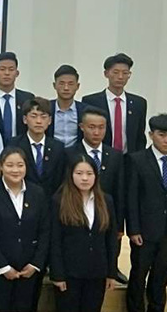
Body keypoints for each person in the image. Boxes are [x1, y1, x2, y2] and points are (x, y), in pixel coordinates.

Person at [126, 114, 167, 312]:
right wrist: (133, 229)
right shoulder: (137, 160)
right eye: (162, 135)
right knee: (139, 274)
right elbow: (132, 198)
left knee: (162, 275)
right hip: (144, 231)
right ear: (151, 135)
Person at [0, 147, 50, 312]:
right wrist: (3, 266)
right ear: (1, 167)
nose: (15, 170)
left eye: (20, 165)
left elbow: (45, 230)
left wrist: (35, 264)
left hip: (29, 269)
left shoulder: (37, 193)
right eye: (10, 165)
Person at [50, 155, 118, 312]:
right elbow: (54, 240)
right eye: (79, 173)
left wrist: (111, 272)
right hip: (69, 274)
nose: (85, 178)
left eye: (89, 173)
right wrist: (57, 274)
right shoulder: (59, 201)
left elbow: (111, 240)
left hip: (97, 272)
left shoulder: (106, 201)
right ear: (71, 175)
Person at [66, 106, 125, 283]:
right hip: (77, 211)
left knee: (108, 244)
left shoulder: (115, 155)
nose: (97, 132)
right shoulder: (69, 153)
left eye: (101, 127)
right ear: (82, 127)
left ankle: (112, 269)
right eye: (91, 127)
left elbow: (120, 190)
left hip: (105, 212)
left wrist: (119, 223)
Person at [81, 53, 147, 154]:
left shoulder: (139, 103)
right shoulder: (91, 101)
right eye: (115, 72)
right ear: (106, 73)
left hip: (129, 158)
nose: (120, 77)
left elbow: (140, 137)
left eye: (125, 73)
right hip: (101, 156)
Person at [7, 97, 67, 198]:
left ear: (50, 120)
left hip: (51, 201)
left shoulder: (58, 147)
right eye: (34, 116)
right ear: (25, 119)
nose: (39, 121)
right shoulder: (14, 144)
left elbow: (61, 179)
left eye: (43, 117)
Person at [0, 52, 35, 145]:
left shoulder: (27, 98)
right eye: (2, 69)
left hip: (21, 149)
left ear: (17, 73)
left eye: (11, 69)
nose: (7, 73)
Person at [47, 64, 85, 148]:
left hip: (77, 153)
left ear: (77, 86)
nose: (66, 88)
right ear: (54, 85)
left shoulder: (85, 110)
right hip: (51, 152)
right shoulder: (46, 108)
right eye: (61, 83)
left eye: (70, 84)